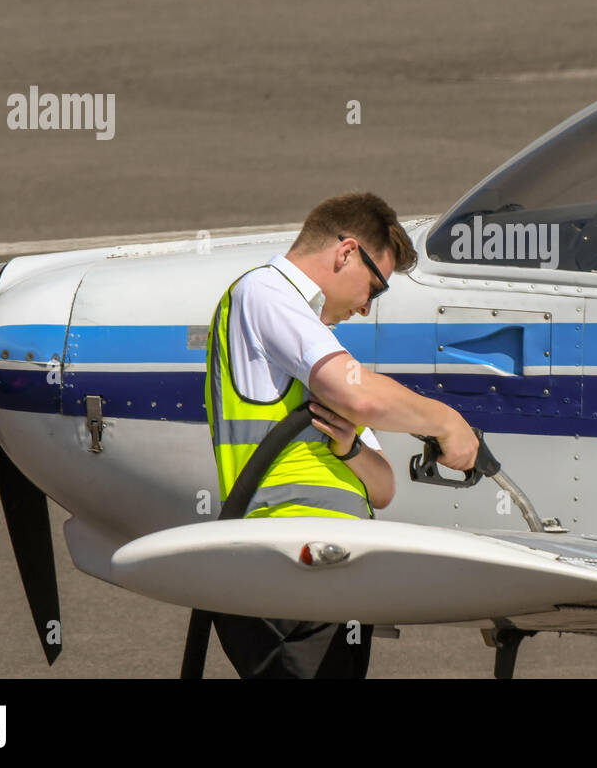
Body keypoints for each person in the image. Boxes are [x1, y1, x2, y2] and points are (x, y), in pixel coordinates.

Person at [204, 191, 479, 678]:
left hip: (330, 572)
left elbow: (384, 488)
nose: (366, 307)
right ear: (347, 251)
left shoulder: (316, 347)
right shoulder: (266, 292)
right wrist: (447, 422)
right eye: (375, 288)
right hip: (288, 563)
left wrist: (349, 447)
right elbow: (362, 397)